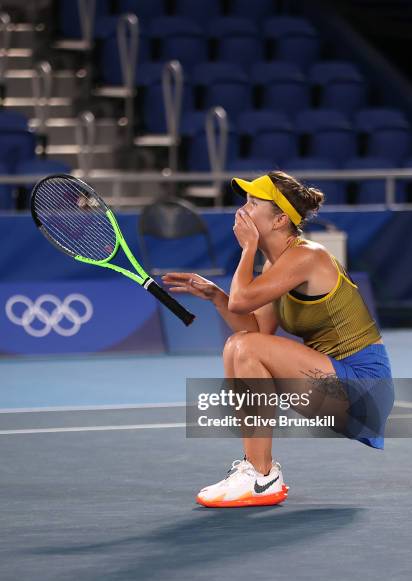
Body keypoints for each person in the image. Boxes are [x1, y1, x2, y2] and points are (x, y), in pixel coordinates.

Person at [162, 171, 395, 508]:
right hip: (335, 384)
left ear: (280, 219)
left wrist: (247, 249)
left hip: (364, 385)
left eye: (254, 203)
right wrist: (216, 296)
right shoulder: (276, 266)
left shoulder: (308, 256)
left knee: (243, 346)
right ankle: (258, 471)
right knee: (239, 345)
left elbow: (244, 307)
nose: (243, 209)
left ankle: (261, 475)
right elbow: (256, 332)